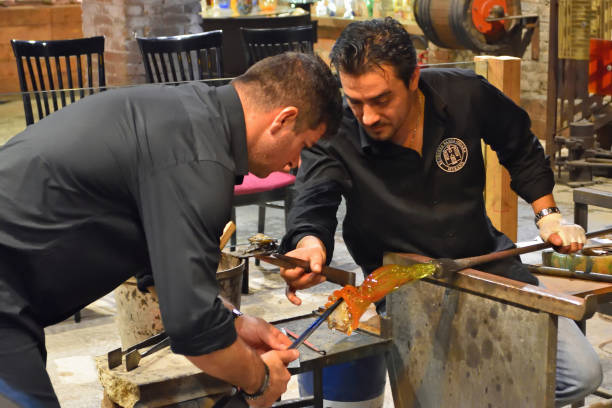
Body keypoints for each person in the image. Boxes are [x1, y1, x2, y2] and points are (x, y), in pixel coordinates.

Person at [278, 18, 602, 407]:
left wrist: (548, 215)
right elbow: (314, 196)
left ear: (414, 76)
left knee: (579, 374)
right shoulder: (333, 128)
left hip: (485, 261)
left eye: (381, 100)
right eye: (355, 101)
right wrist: (309, 242)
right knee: (440, 394)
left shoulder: (465, 94)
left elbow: (520, 145)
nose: (367, 116)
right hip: (402, 286)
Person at [0, 52, 342, 408]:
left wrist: (235, 322)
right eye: (303, 146)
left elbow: (167, 278)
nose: (295, 164)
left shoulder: (193, 121)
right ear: (284, 119)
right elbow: (193, 329)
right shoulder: (199, 159)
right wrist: (261, 380)